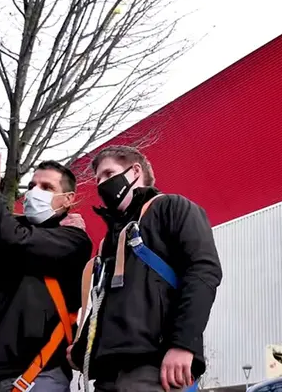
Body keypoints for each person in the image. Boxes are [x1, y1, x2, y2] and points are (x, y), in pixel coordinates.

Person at [68, 145, 223, 392]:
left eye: (109, 174)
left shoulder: (171, 207)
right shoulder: (109, 240)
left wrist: (183, 344)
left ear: (135, 171)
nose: (101, 185)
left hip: (154, 367)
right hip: (108, 373)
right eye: (98, 179)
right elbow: (104, 302)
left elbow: (204, 271)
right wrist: (81, 349)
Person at [0, 158, 92, 392]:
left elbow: (15, 239)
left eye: (47, 188)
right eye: (32, 186)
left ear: (68, 199)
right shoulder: (11, 231)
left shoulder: (72, 240)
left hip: (37, 376)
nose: (35, 193)